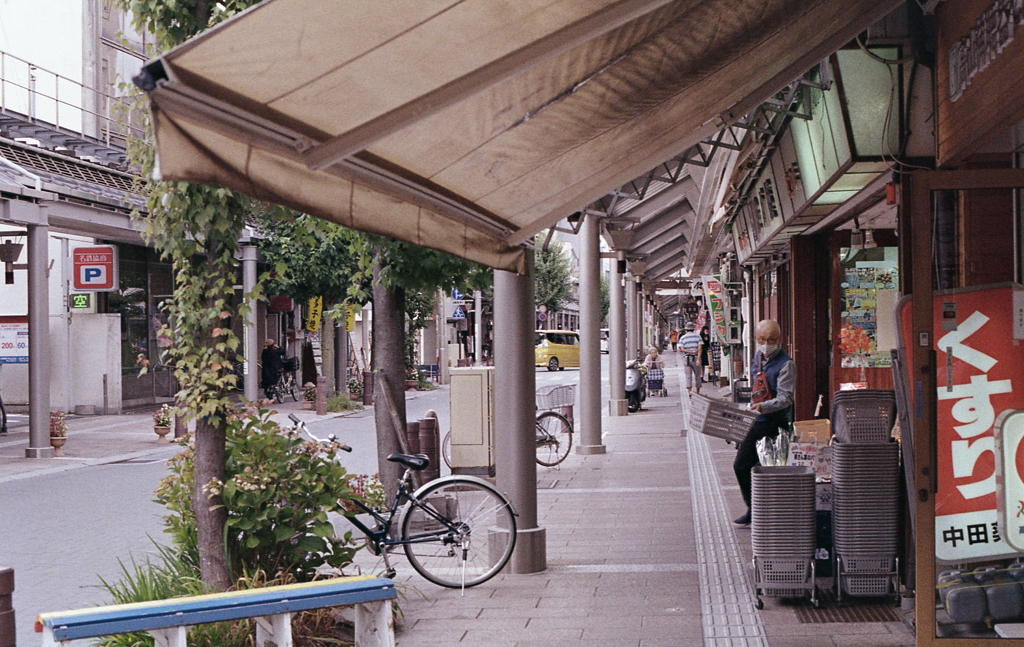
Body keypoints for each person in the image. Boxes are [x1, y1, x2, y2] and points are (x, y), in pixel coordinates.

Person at [732, 320, 795, 527]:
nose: (766, 343)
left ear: (780, 339)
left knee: (760, 467)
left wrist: (762, 407)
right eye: (762, 339)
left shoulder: (786, 364)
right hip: (756, 418)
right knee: (746, 465)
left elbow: (786, 398)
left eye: (771, 340)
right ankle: (756, 508)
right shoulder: (758, 356)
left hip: (773, 422)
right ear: (755, 339)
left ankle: (763, 511)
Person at [679, 322, 703, 394]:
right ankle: (697, 392)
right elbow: (700, 349)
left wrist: (690, 351)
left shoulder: (682, 338)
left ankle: (689, 393)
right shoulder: (698, 337)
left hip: (686, 359)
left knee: (688, 376)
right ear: (693, 329)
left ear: (686, 329)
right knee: (698, 376)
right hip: (696, 358)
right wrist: (698, 359)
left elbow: (682, 349)